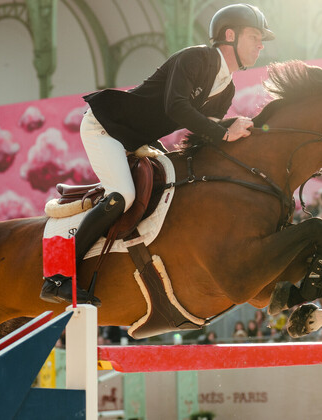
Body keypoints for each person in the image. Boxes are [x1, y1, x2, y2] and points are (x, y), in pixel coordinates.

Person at [40, 3, 274, 303]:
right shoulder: (195, 58)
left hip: (137, 138)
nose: (260, 44)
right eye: (254, 36)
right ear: (230, 35)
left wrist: (239, 134)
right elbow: (176, 107)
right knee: (123, 195)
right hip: (106, 126)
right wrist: (224, 131)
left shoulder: (226, 88)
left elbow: (207, 130)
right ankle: (57, 278)